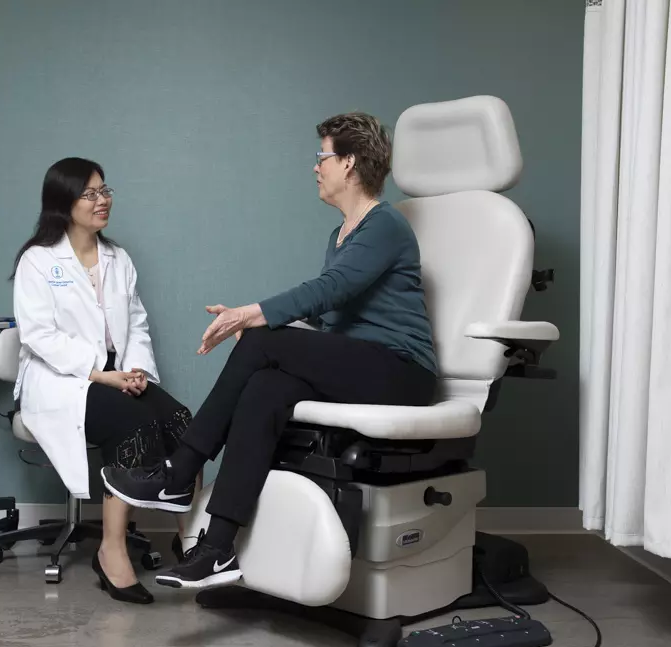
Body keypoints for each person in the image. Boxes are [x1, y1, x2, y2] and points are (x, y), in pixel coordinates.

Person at [102, 112, 438, 590]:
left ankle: (179, 471)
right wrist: (268, 339)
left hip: (401, 373)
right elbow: (328, 317)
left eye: (321, 156)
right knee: (264, 385)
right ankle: (217, 548)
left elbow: (333, 288)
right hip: (359, 365)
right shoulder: (340, 235)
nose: (315, 167)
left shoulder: (386, 225)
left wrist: (254, 319)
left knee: (262, 339)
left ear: (350, 162)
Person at [11, 157, 196, 604]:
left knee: (183, 424)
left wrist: (133, 372)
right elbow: (39, 336)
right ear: (63, 202)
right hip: (63, 379)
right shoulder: (38, 261)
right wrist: (100, 375)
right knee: (133, 423)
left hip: (116, 373)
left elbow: (136, 323)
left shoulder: (118, 258)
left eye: (105, 191)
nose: (102, 201)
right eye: (90, 193)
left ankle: (190, 541)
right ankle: (110, 551)